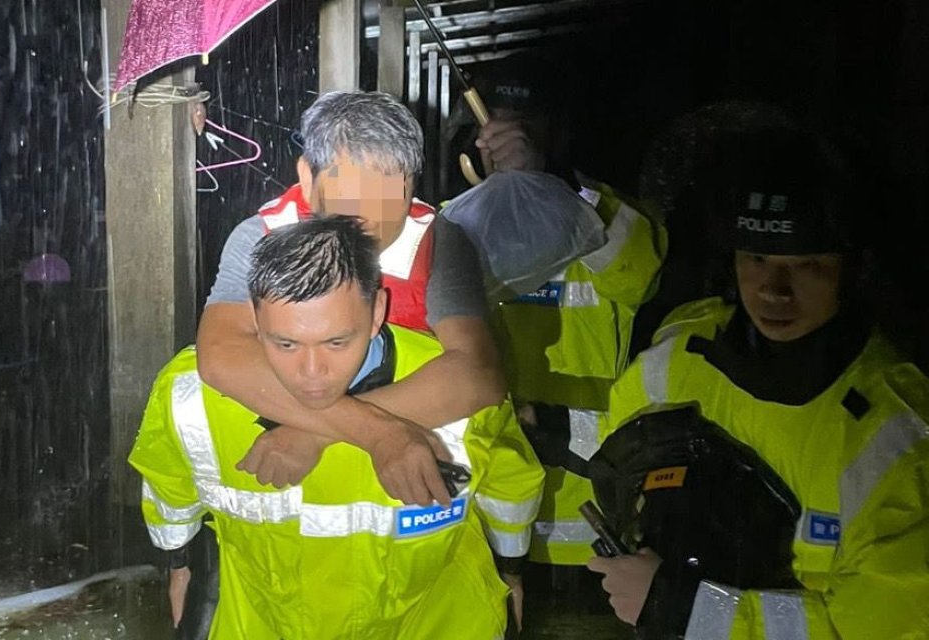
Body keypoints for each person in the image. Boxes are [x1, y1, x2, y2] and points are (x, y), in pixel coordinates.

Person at [130, 216, 545, 639]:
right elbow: (169, 487)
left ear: (377, 311)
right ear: (253, 317)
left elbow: (511, 487)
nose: (313, 374)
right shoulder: (189, 394)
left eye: (336, 342)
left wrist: (511, 572)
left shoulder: (462, 390)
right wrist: (179, 565)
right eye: (286, 344)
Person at [589, 129, 929, 638]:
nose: (773, 290)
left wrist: (678, 606)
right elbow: (619, 450)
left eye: (806, 265)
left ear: (855, 273)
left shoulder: (893, 436)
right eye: (757, 259)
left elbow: (883, 628)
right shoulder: (683, 352)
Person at [446, 52, 668, 571]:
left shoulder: (602, 212)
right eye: (495, 124)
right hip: (483, 533)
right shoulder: (450, 226)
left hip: (589, 533)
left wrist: (558, 188)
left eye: (526, 128)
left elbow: (642, 275)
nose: (505, 141)